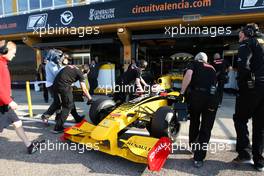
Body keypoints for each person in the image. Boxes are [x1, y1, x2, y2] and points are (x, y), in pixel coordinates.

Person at [0, 40, 43, 154]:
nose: (14, 55)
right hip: (3, 103)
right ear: (5, 51)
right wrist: (9, 101)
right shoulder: (0, 65)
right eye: (13, 52)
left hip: (4, 104)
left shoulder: (3, 63)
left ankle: (29, 146)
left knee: (17, 122)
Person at [233, 23, 264, 172]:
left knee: (239, 118)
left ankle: (245, 153)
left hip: (252, 88)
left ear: (247, 33)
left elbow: (244, 67)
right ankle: (259, 162)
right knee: (260, 125)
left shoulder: (247, 43)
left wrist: (241, 84)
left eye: (240, 33)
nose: (239, 36)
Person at [179, 52, 218, 168]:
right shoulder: (212, 68)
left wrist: (182, 93)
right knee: (206, 128)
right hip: (212, 99)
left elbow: (189, 75)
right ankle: (199, 158)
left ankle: (193, 146)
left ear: (197, 59)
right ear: (206, 60)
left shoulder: (193, 64)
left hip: (197, 97)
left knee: (195, 122)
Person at [41, 50, 85, 125]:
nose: (60, 58)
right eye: (59, 56)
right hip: (52, 85)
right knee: (58, 102)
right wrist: (65, 67)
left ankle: (74, 117)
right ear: (54, 56)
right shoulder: (51, 64)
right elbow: (58, 73)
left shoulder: (56, 63)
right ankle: (46, 116)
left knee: (68, 101)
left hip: (59, 84)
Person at [51, 64, 92, 133]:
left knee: (70, 101)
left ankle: (77, 118)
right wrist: (90, 98)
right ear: (85, 71)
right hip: (63, 87)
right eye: (87, 73)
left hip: (55, 85)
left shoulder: (73, 67)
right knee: (67, 106)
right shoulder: (80, 73)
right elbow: (84, 89)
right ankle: (58, 127)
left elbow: (66, 76)